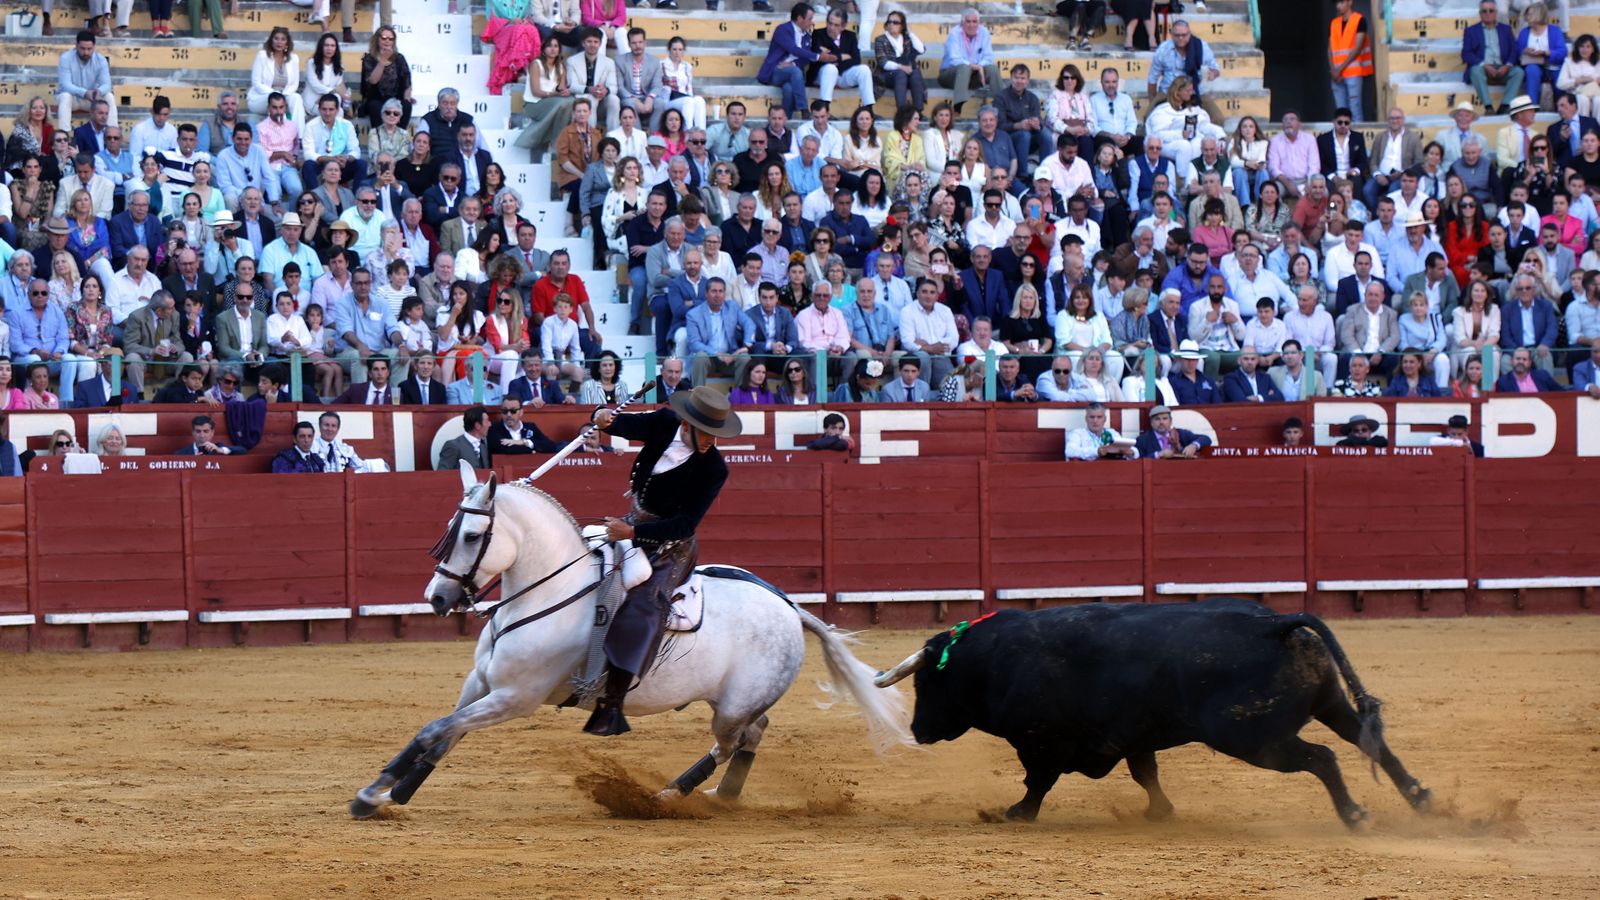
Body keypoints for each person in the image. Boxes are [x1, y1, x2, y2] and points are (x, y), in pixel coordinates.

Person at [584, 385, 740, 735]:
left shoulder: (714, 469)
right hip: (633, 522)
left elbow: (685, 524)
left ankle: (612, 703)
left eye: (717, 435)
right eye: (707, 433)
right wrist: (601, 418)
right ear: (687, 422)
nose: (711, 442)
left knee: (644, 607)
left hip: (673, 547)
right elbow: (621, 425)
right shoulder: (664, 423)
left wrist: (631, 535)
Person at [1463, 0, 1523, 115]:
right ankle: (1488, 107)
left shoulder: (1506, 29)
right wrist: (1484, 65)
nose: (1488, 13)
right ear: (1480, 13)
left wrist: (1507, 65)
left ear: (1496, 13)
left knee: (1519, 72)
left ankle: (1504, 106)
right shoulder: (1471, 31)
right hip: (1483, 69)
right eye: (1484, 11)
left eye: (1491, 11)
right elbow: (1466, 54)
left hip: (1503, 68)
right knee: (1475, 70)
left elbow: (1514, 50)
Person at [938, 9, 1002, 113]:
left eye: (974, 21)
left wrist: (980, 66)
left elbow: (989, 57)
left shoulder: (984, 32)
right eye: (968, 21)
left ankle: (1001, 104)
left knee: (993, 68)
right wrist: (975, 67)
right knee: (964, 67)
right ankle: (958, 107)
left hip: (973, 77)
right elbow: (955, 60)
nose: (971, 25)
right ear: (962, 23)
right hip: (950, 76)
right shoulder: (955, 33)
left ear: (978, 23)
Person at [57, 31, 116, 133]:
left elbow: (107, 84)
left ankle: (111, 132)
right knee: (65, 96)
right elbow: (65, 85)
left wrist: (99, 91)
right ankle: (64, 135)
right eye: (82, 48)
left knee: (109, 96)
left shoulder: (101, 60)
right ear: (76, 46)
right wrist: (84, 92)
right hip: (73, 99)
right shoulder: (66, 58)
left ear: (94, 47)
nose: (86, 52)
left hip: (92, 99)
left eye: (89, 49)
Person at [1148, 19, 1220, 101]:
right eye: (1177, 35)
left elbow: (1215, 68)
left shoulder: (1202, 47)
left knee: (1216, 114)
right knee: (1151, 113)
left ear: (1189, 34)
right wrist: (1152, 101)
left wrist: (1213, 73)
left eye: (1184, 35)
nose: (1180, 38)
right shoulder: (1163, 49)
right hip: (1168, 92)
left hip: (1195, 92)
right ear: (1171, 34)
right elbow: (1152, 78)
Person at [1327, 0, 1372, 122]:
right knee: (1341, 111)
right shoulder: (1334, 23)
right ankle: (1343, 139)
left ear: (1350, 2)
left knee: (1354, 109)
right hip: (1337, 75)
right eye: (1337, 3)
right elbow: (1330, 49)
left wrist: (1338, 70)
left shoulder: (1359, 20)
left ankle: (1355, 138)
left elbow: (1357, 48)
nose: (1338, 6)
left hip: (1352, 73)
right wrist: (1333, 70)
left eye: (1341, 2)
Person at [873, 11, 926, 114]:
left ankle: (918, 111)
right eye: (889, 22)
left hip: (905, 74)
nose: (891, 24)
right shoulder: (880, 39)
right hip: (886, 75)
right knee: (901, 73)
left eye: (895, 22)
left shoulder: (906, 39)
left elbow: (921, 50)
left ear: (902, 26)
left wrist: (910, 33)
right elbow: (883, 63)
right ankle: (901, 112)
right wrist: (901, 67)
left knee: (915, 73)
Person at [1065, 401, 1136, 461]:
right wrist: (1096, 451)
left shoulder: (1112, 433)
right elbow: (1069, 451)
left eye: (1099, 417)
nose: (1095, 421)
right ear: (1086, 419)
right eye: (1092, 417)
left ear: (1105, 419)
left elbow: (1135, 451)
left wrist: (1131, 452)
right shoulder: (1078, 433)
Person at [488, 398, 559, 457]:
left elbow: (550, 446)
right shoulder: (494, 429)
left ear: (521, 412)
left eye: (513, 411)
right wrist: (532, 450)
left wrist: (524, 442)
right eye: (505, 411)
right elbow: (505, 449)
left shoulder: (531, 427)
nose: (508, 414)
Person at [1135, 404, 1210, 459]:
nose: (1161, 422)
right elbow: (1137, 460)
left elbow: (1206, 438)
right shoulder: (1143, 440)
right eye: (1157, 419)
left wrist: (1194, 446)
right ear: (1151, 423)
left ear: (1170, 421)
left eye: (1165, 418)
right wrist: (1158, 454)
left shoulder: (1180, 433)